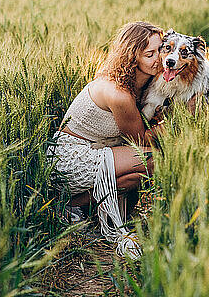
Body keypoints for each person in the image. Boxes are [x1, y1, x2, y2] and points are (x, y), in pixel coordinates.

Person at [48, 21, 165, 258]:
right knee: (153, 160)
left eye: (160, 50)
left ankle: (77, 205)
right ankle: (70, 205)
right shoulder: (118, 92)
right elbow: (142, 140)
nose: (158, 59)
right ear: (132, 57)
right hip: (71, 157)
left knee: (135, 174)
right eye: (149, 54)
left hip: (100, 150)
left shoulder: (144, 83)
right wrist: (182, 118)